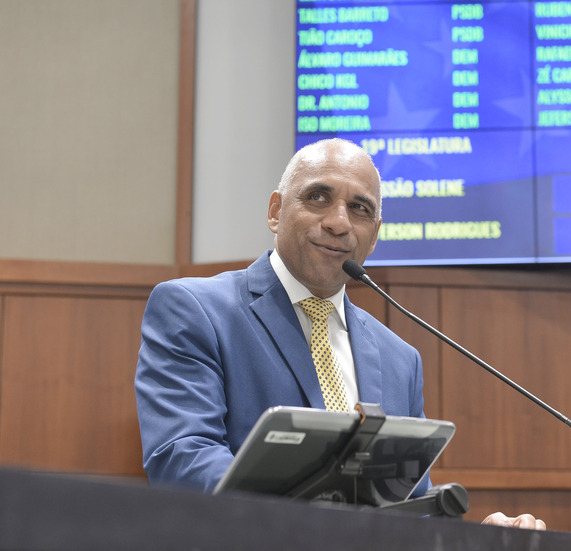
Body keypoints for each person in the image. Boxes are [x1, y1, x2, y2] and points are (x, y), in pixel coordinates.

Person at [134, 138, 546, 530]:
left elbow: (408, 510)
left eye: (359, 208)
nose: (338, 223)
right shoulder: (196, 309)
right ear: (276, 211)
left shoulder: (400, 359)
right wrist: (315, 527)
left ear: (374, 235)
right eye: (318, 197)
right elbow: (183, 459)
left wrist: (482, 538)